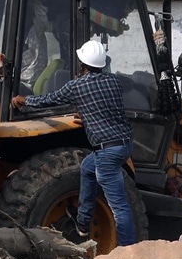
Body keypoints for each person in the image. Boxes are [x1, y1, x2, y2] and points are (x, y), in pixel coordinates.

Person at [11, 39, 138, 246]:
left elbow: (49, 99)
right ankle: (83, 223)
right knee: (87, 168)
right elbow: (105, 106)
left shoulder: (77, 86)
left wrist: (25, 100)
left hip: (107, 151)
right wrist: (88, 115)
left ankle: (127, 250)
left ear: (82, 64)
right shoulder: (114, 81)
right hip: (124, 145)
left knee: (119, 207)